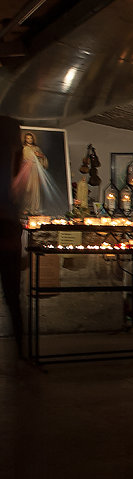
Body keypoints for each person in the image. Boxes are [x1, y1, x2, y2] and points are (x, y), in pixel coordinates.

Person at [0, 115, 25, 362]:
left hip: (8, 228)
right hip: (7, 229)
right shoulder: (11, 160)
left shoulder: (12, 161)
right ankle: (20, 349)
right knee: (12, 296)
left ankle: (20, 348)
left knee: (13, 296)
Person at [21, 131, 48, 215]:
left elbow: (43, 159)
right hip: (27, 170)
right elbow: (22, 159)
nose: (29, 140)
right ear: (25, 139)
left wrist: (40, 156)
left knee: (36, 190)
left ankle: (35, 209)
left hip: (36, 170)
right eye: (27, 138)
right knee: (27, 189)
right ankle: (27, 207)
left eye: (31, 138)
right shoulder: (24, 148)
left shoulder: (37, 148)